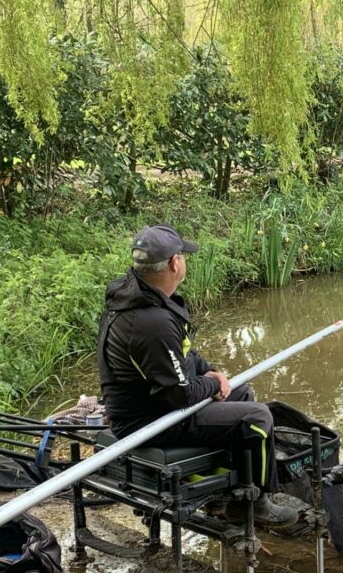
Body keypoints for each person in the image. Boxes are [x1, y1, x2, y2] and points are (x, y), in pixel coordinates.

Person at [96, 224, 298, 528]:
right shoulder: (151, 322)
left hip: (155, 403)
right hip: (148, 420)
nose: (184, 261)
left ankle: (225, 494)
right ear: (175, 263)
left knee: (240, 392)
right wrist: (211, 384)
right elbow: (178, 394)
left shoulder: (140, 297)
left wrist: (209, 371)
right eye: (182, 255)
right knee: (258, 419)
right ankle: (255, 502)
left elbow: (182, 356)